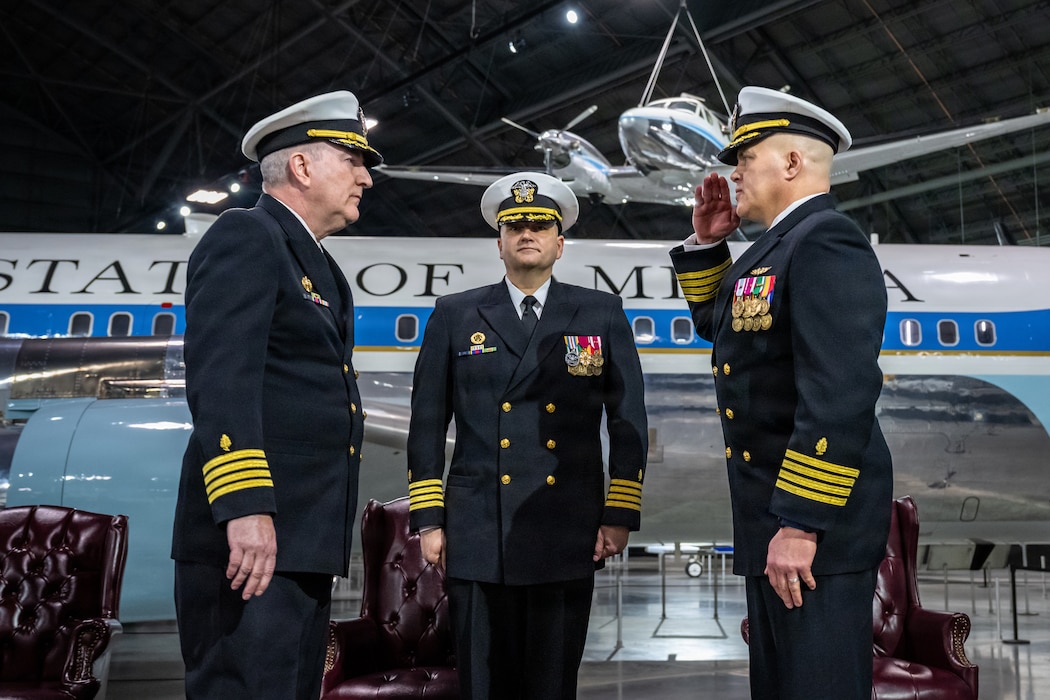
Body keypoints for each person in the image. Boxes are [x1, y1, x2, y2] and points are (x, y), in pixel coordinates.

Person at [669, 87, 893, 700]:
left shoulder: (826, 240)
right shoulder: (778, 246)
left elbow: (839, 393)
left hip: (810, 530)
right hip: (773, 524)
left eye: (745, 157)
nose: (734, 173)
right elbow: (723, 327)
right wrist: (709, 246)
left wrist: (801, 524)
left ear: (792, 163)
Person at [171, 90, 382, 700]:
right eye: (353, 161)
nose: (366, 178)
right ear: (302, 166)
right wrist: (245, 508)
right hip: (253, 537)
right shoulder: (248, 235)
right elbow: (222, 380)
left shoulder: (315, 263)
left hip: (298, 539)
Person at [406, 172, 648, 699]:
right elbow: (426, 422)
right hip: (478, 527)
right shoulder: (456, 314)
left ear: (560, 244)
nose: (526, 234)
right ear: (499, 243)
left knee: (551, 682)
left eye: (540, 226)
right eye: (514, 226)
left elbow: (627, 419)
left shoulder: (600, 312)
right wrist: (429, 518)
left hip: (565, 524)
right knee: (481, 682)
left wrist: (619, 512)